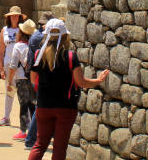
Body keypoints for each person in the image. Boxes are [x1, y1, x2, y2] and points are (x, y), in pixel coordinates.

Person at [27, 19, 109, 160]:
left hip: (44, 105)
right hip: (66, 106)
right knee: (59, 147)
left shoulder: (38, 55)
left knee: (40, 145)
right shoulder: (71, 56)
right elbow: (81, 82)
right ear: (65, 36)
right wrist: (98, 80)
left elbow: (34, 80)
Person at [24, 11, 54, 149]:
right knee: (39, 108)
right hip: (40, 75)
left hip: (35, 74)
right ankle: (30, 139)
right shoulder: (41, 37)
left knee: (41, 107)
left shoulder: (35, 35)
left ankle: (39, 137)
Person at [8, 19, 36, 140]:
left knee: (23, 104)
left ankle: (23, 131)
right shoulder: (33, 45)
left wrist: (10, 81)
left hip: (21, 78)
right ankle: (35, 130)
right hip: (33, 77)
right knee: (33, 104)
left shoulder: (18, 46)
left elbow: (13, 65)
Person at [0, 6, 24, 126]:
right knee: (9, 90)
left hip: (21, 65)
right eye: (12, 15)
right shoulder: (4, 30)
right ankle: (6, 117)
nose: (14, 17)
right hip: (8, 64)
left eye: (16, 15)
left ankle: (25, 119)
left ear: (19, 17)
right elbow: (1, 51)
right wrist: (1, 68)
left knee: (22, 92)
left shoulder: (22, 30)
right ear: (9, 17)